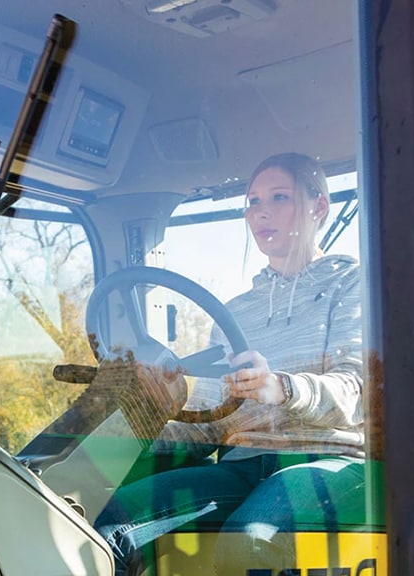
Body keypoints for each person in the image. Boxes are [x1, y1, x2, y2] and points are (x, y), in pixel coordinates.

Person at [93, 153, 366, 575]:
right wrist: (153, 407)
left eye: (279, 197)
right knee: (111, 525)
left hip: (327, 459)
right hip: (242, 463)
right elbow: (219, 416)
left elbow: (356, 391)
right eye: (253, 201)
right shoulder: (234, 312)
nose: (260, 212)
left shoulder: (352, 284)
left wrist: (280, 387)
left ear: (319, 206)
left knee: (251, 543)